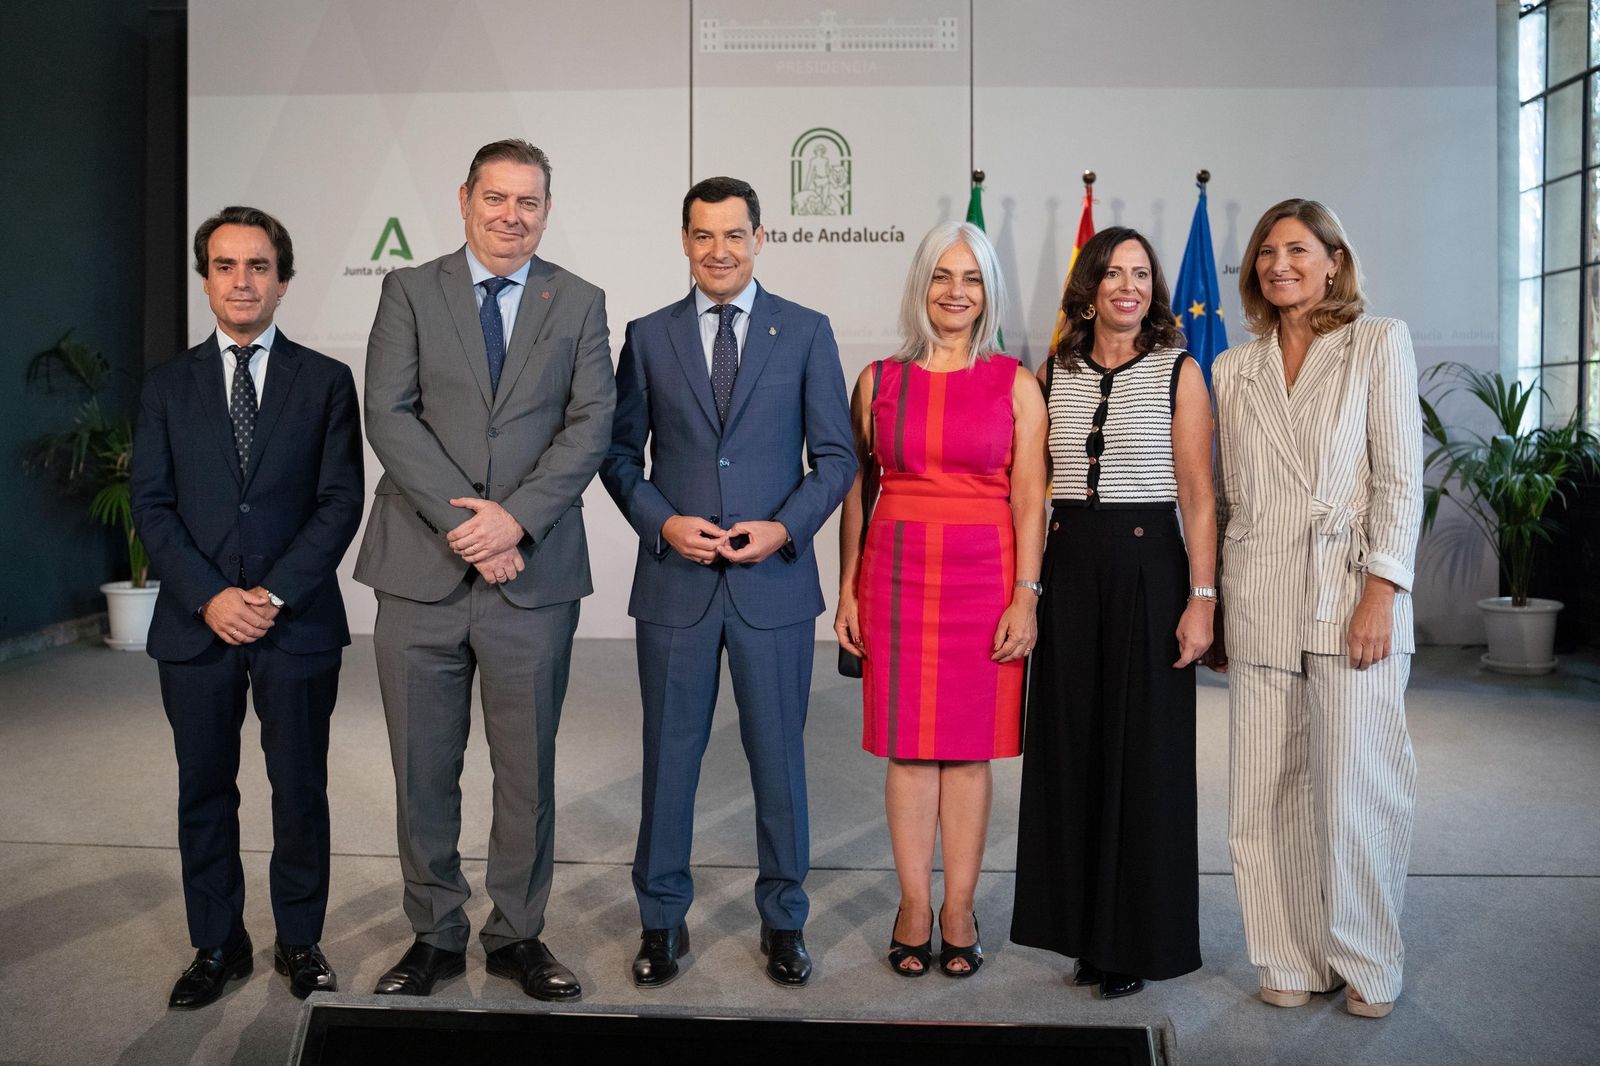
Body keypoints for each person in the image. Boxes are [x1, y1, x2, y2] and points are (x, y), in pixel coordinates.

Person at [355, 139, 614, 1001]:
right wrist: (471, 526)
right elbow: (388, 414)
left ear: (548, 209)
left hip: (532, 576)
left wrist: (516, 521)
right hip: (421, 568)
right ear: (464, 198)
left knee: (526, 772)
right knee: (422, 769)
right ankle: (433, 935)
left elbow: (590, 425)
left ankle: (517, 936)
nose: (512, 216)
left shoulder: (578, 301)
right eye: (496, 198)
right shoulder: (409, 290)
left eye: (528, 202)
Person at [600, 176, 856, 989]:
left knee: (778, 760)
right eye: (704, 235)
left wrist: (785, 527)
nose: (719, 251)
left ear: (759, 238)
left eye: (734, 234)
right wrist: (663, 522)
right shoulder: (648, 336)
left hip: (772, 583)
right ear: (685, 240)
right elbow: (617, 456)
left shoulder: (806, 332)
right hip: (675, 582)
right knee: (668, 759)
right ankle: (661, 921)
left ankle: (785, 921)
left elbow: (837, 457)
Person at [131, 206, 364, 1009]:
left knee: (299, 789)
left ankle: (299, 939)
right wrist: (210, 597)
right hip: (195, 627)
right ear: (205, 280)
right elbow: (153, 505)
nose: (242, 281)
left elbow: (339, 501)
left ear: (283, 281)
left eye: (258, 266)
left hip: (294, 623)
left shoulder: (325, 381)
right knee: (204, 790)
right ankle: (217, 943)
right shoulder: (166, 387)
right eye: (225, 266)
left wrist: (268, 594)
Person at [1209, 198, 1423, 1019]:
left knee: (1357, 790)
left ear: (1334, 261)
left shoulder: (1378, 342)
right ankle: (1289, 953)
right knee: (1264, 793)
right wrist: (1218, 602)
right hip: (1260, 594)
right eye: (1267, 252)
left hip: (1350, 594)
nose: (1279, 265)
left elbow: (1399, 480)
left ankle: (1367, 957)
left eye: (1298, 249)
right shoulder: (1235, 368)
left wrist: (1381, 591)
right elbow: (1226, 497)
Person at [834, 221, 1045, 978]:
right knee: (910, 749)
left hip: (986, 580)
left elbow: (1030, 498)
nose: (956, 292)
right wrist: (848, 588)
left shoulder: (1017, 384)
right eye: (942, 276)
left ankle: (960, 907)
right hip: (895, 576)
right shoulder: (878, 382)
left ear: (989, 292)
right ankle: (914, 905)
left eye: (973, 278)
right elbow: (857, 492)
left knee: (968, 752)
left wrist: (1026, 596)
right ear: (921, 285)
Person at [1010, 227, 1216, 999]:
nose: (1129, 286)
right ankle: (1082, 934)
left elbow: (1198, 496)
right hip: (1069, 571)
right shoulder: (1051, 372)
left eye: (1141, 274)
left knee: (1144, 759)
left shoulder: (1179, 371)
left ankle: (1133, 942)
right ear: (1089, 286)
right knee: (1072, 753)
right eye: (1114, 273)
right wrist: (1029, 590)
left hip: (1149, 572)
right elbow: (1031, 493)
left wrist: (1202, 600)